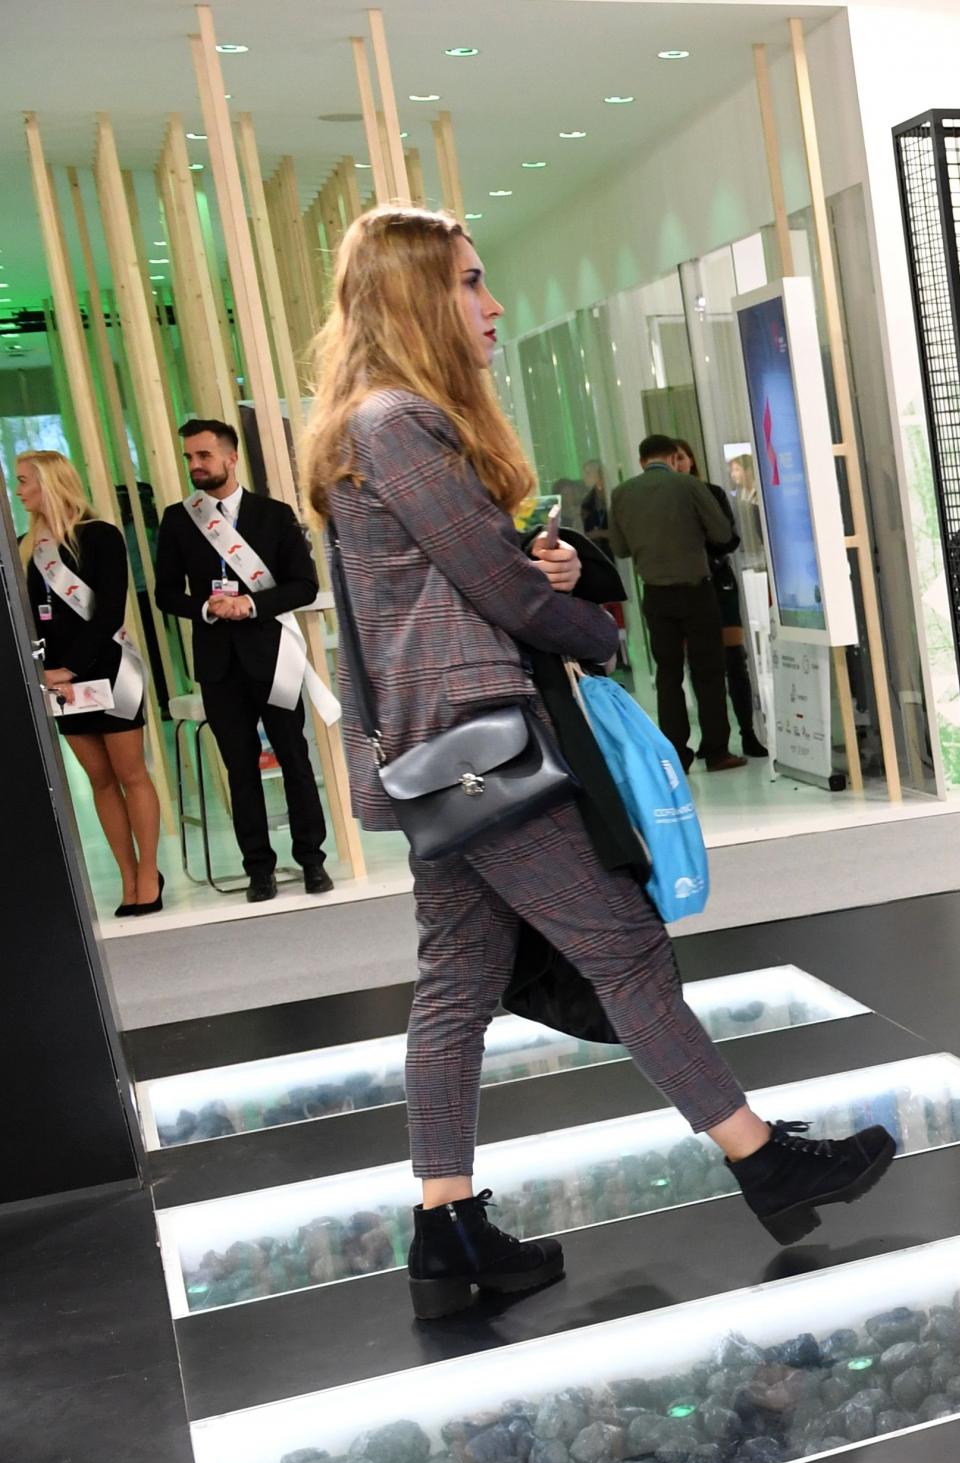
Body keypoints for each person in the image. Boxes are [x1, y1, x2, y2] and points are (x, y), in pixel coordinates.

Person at [296, 204, 895, 1321]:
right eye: (471, 283)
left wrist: (549, 567)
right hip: (486, 748)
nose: (492, 304)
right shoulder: (396, 423)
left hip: (450, 757)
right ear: (421, 295)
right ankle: (761, 1159)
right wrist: (595, 628)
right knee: (622, 951)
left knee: (458, 989)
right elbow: (497, 592)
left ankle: (445, 1229)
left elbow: (438, 593)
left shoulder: (374, 426)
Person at [151, 417, 332, 900]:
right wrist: (205, 608)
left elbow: (304, 584)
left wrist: (250, 604)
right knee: (240, 767)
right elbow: (166, 593)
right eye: (189, 457)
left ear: (231, 458)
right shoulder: (178, 519)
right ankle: (259, 870)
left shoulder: (273, 515)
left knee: (294, 759)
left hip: (272, 656)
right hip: (218, 662)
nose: (195, 465)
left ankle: (312, 861)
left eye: (204, 455)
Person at [15, 450, 164, 916]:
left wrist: (70, 667)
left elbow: (110, 612)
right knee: (99, 780)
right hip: (60, 683)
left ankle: (148, 873)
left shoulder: (99, 536)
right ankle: (127, 874)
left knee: (130, 774)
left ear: (49, 482)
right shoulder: (25, 547)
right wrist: (47, 672)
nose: (18, 491)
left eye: (23, 481)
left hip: (109, 671)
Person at [607, 434, 740, 773]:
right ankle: (716, 751)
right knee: (708, 672)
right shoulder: (688, 486)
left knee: (668, 675)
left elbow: (620, 549)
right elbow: (722, 533)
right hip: (697, 590)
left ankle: (676, 752)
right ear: (671, 457)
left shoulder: (622, 494)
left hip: (655, 593)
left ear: (642, 462)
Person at [669, 437, 766, 758]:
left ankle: (748, 732)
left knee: (734, 661)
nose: (678, 464)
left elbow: (729, 539)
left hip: (718, 582)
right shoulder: (663, 501)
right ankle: (713, 740)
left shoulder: (712, 493)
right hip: (685, 589)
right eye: (672, 459)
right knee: (699, 667)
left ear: (691, 460)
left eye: (682, 457)